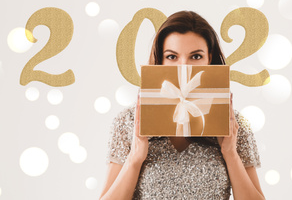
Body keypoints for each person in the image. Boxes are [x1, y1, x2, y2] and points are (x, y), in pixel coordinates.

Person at [99, 11, 265, 200]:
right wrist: (135, 157)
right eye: (172, 57)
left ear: (209, 59)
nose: (184, 66)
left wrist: (230, 153)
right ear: (160, 60)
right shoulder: (128, 121)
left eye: (195, 57)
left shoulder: (234, 124)